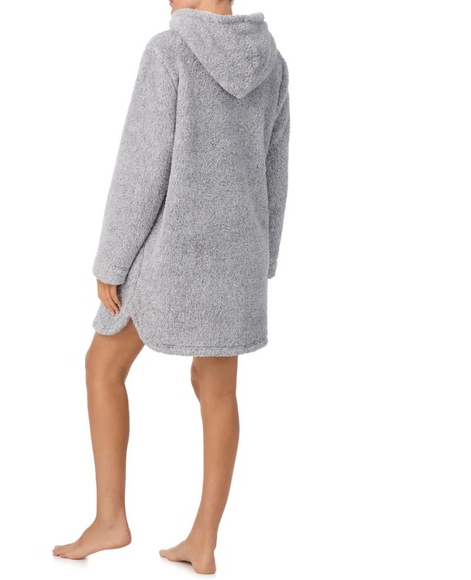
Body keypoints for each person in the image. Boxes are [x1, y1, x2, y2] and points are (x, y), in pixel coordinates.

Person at [53, 0, 290, 574]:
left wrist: (112, 259)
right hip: (239, 256)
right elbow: (276, 168)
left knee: (102, 365)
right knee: (219, 392)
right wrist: (263, 261)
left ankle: (110, 520)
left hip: (173, 252)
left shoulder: (170, 51)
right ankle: (203, 541)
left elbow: (142, 166)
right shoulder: (272, 62)